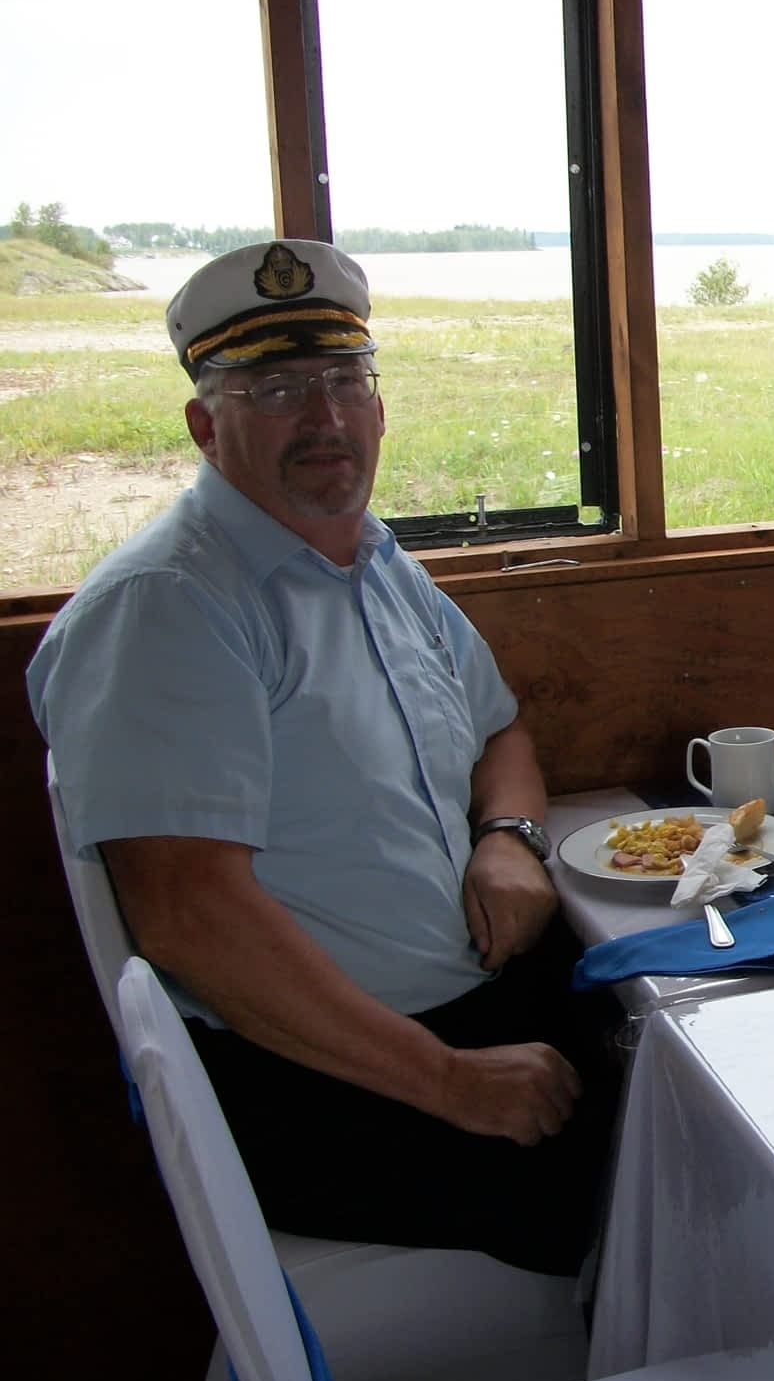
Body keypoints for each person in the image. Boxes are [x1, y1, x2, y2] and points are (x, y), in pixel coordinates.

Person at [28, 240, 617, 1276]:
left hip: (474, 999)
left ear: (379, 408)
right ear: (207, 427)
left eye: (346, 382)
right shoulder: (173, 607)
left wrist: (508, 841)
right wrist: (448, 1081)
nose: (326, 419)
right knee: (689, 1173)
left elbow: (500, 733)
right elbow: (188, 917)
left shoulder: (370, 561)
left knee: (719, 1052)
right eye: (277, 390)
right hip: (331, 1078)